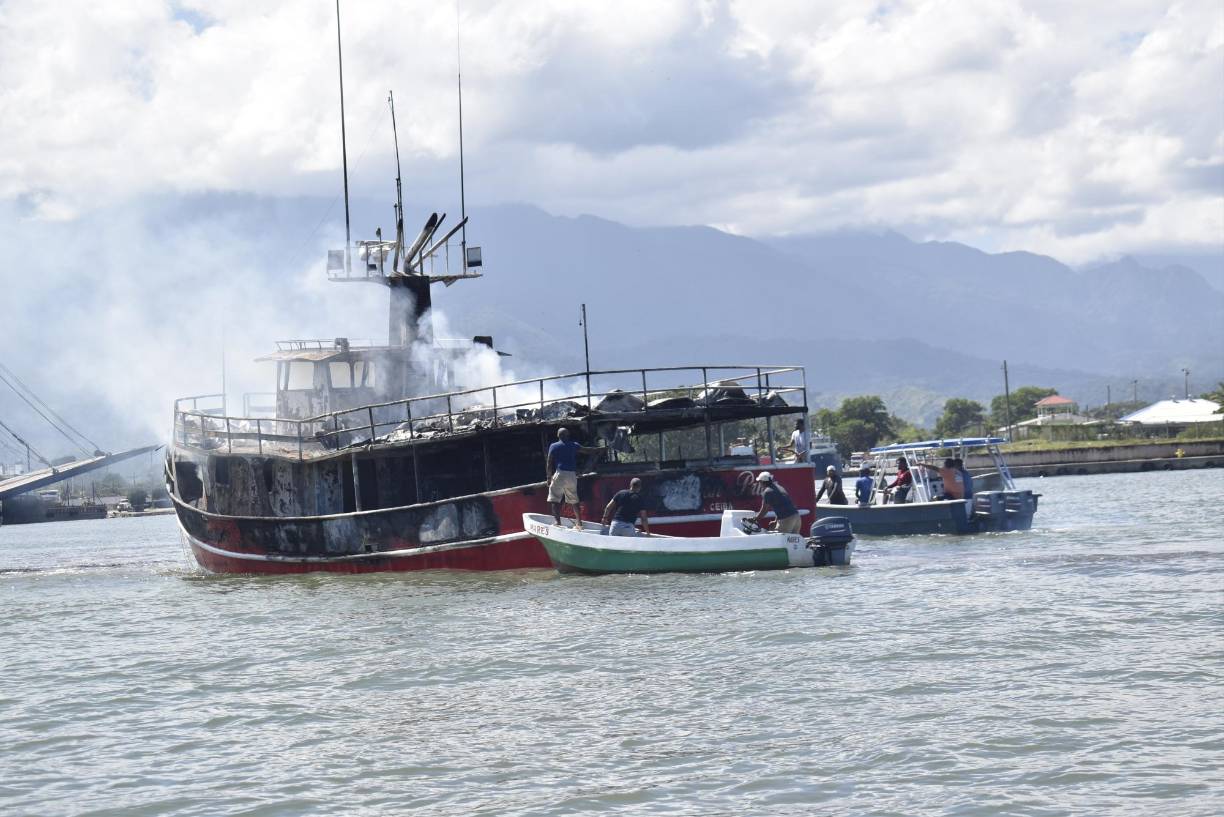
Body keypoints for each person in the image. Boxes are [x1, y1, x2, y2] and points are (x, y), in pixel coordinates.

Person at [547, 428, 584, 527]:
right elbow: (587, 450)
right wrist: (600, 449)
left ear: (558, 435)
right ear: (568, 435)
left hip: (560, 473)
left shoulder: (553, 446)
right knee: (574, 499)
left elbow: (549, 462)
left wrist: (548, 477)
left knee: (554, 498)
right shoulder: (574, 445)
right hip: (572, 475)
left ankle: (557, 522)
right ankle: (579, 522)